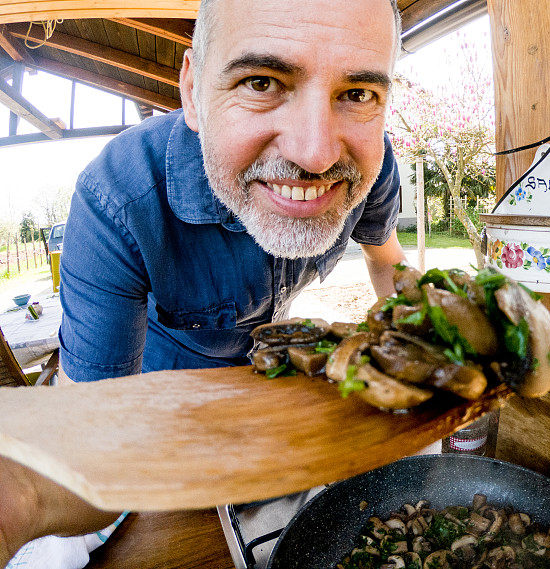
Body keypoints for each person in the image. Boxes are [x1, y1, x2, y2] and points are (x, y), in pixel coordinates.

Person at [0, 0, 405, 564]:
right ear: (192, 91)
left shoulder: (373, 165)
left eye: (358, 94)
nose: (315, 154)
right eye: (261, 81)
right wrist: (20, 502)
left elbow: (387, 261)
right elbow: (87, 432)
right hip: (151, 421)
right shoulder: (117, 198)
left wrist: (425, 347)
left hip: (273, 399)